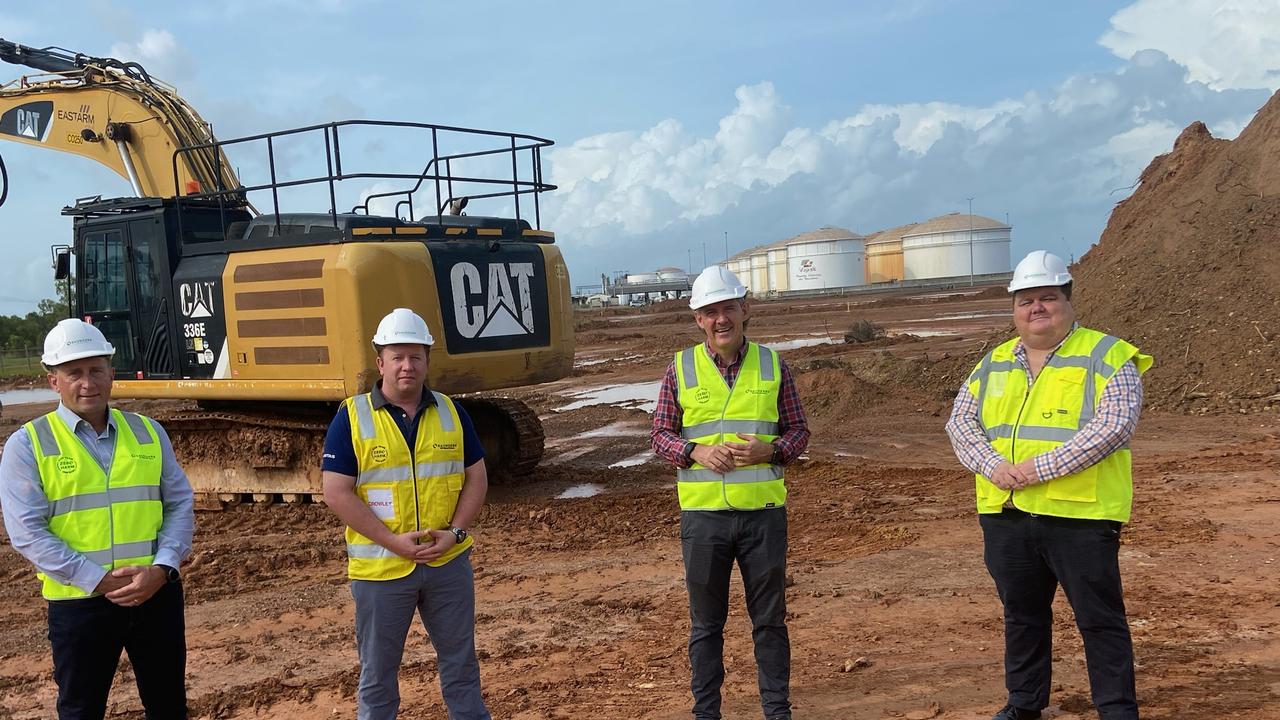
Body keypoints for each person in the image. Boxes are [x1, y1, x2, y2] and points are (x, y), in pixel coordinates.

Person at [944, 251, 1152, 720]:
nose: (1036, 308)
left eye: (1047, 297)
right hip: (1007, 514)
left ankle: (1117, 710)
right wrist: (995, 467)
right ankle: (1024, 704)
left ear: (1068, 300)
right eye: (1026, 300)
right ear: (1014, 307)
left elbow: (1113, 427)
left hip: (1080, 517)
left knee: (1099, 621)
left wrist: (1039, 469)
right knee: (1022, 617)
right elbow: (961, 425)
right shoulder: (994, 362)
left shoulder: (1108, 355)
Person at [0, 318, 194, 719]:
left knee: (168, 705)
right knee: (81, 710)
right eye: (74, 373)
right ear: (54, 380)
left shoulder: (148, 432)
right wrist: (98, 580)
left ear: (111, 372)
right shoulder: (28, 444)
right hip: (80, 605)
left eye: (96, 370)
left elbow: (178, 505)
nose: (87, 382)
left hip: (155, 595)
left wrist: (162, 569)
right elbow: (28, 533)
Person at [651, 266, 810, 720]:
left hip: (762, 516)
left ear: (745, 310)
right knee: (706, 625)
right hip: (704, 520)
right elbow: (660, 434)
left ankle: (776, 710)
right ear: (698, 319)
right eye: (710, 312)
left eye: (728, 309)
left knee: (770, 622)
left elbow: (799, 431)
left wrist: (771, 449)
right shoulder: (680, 368)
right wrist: (693, 451)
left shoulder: (772, 364)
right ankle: (707, 712)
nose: (721, 319)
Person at [321, 307, 490, 720]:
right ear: (380, 362)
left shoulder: (451, 412)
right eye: (397, 356)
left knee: (462, 668)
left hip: (446, 564)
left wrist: (455, 533)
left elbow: (477, 478)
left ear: (427, 360)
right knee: (378, 677)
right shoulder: (353, 416)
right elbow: (336, 492)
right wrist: (393, 543)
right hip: (381, 572)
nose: (407, 366)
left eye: (415, 356)